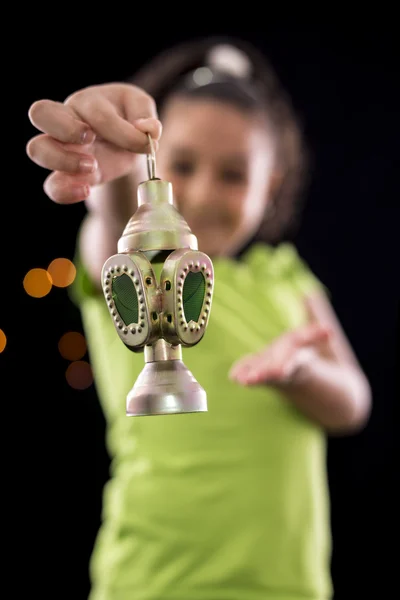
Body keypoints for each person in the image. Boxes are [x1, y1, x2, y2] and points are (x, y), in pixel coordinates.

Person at [26, 36, 372, 600]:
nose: (205, 193)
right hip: (151, 583)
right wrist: (115, 172)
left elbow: (352, 404)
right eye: (181, 164)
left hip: (287, 586)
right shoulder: (138, 266)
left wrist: (301, 372)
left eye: (234, 174)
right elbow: (111, 233)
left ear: (272, 184)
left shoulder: (287, 279)